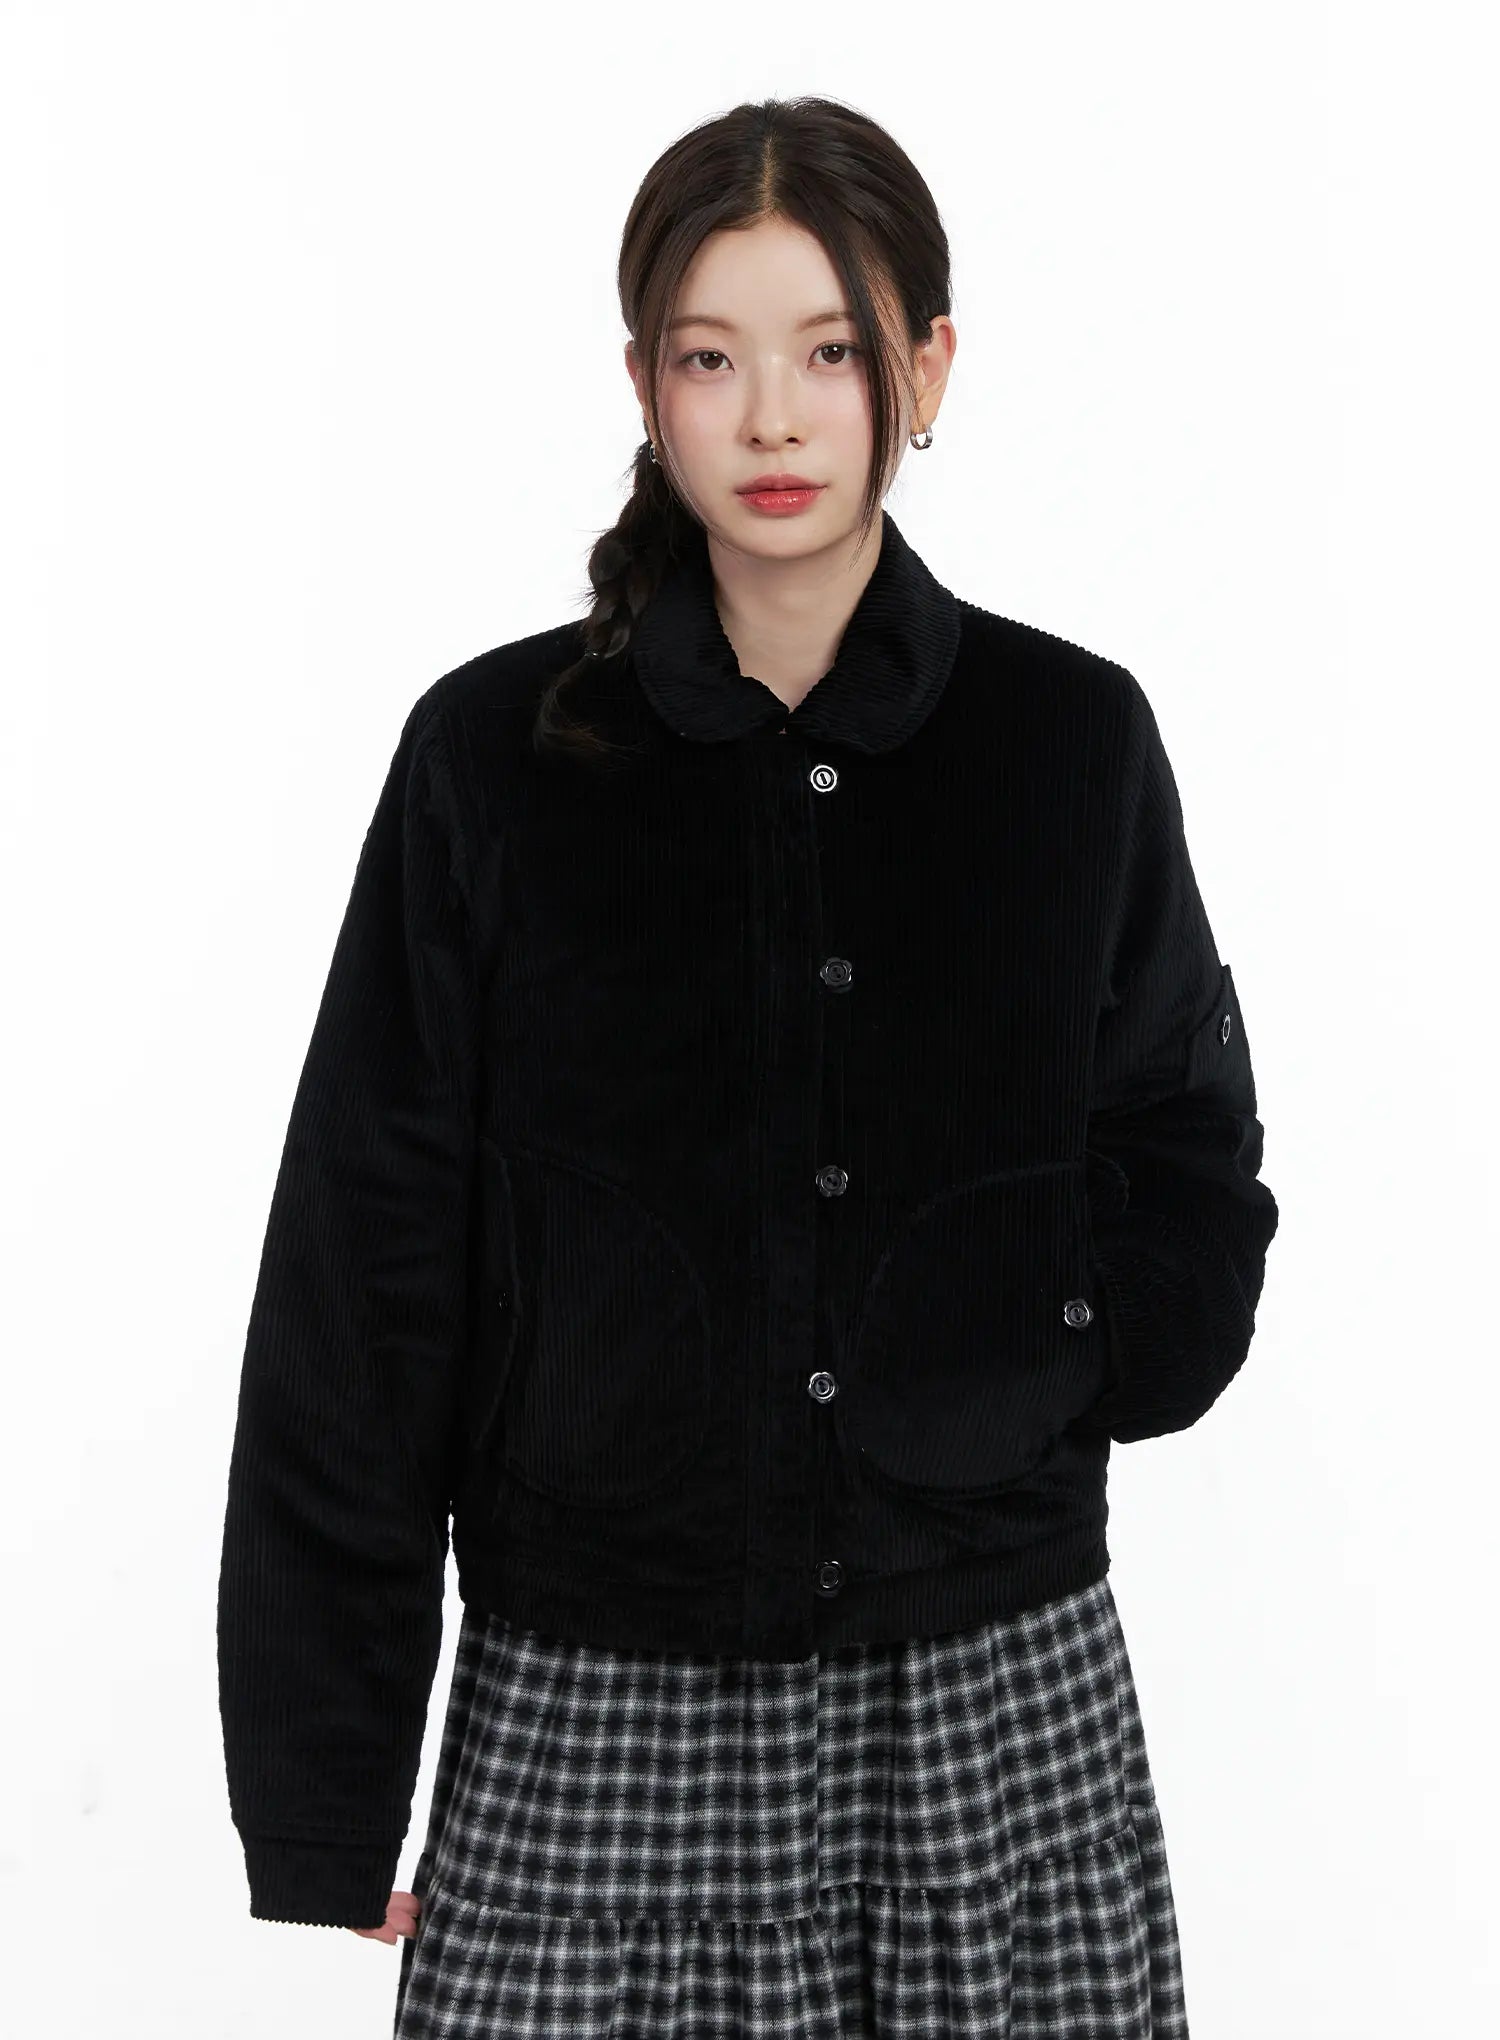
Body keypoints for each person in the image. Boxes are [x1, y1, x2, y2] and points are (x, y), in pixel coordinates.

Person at [216, 94, 1278, 2038]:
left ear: (925, 370)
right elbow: (362, 1276)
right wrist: (324, 1780)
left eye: (830, 352)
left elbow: (1186, 1150)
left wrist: (1054, 1354)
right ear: (644, 382)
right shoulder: (492, 763)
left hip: (996, 1703)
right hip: (593, 1699)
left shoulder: (1069, 744)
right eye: (712, 359)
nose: (772, 418)